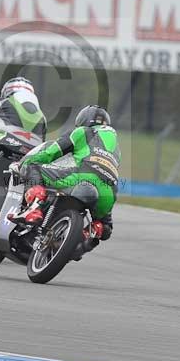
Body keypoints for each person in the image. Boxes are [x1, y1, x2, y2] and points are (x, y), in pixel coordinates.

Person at [14, 105, 119, 254]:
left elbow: (53, 151)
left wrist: (28, 161)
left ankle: (34, 210)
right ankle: (81, 243)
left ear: (83, 120)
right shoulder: (115, 146)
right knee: (105, 227)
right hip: (108, 190)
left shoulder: (83, 132)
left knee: (33, 166)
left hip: (81, 175)